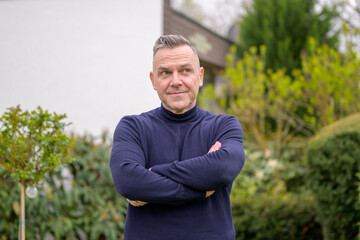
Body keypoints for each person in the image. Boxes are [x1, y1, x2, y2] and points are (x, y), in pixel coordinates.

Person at [109, 34, 245, 240]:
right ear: (154, 80)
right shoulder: (133, 127)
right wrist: (200, 190)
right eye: (165, 73)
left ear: (200, 76)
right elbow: (128, 182)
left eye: (185, 71)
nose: (176, 81)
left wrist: (152, 173)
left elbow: (222, 168)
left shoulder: (223, 126)